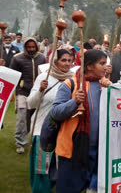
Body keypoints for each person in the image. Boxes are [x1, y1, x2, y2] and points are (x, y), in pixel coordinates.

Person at [50, 50, 111, 193]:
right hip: (72, 151)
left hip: (99, 152)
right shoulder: (70, 84)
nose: (105, 67)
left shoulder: (106, 85)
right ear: (89, 66)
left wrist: (111, 90)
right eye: (102, 63)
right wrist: (74, 102)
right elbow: (55, 113)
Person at [27, 49, 74, 193]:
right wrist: (41, 90)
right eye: (63, 60)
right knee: (42, 169)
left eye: (69, 60)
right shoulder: (44, 77)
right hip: (43, 129)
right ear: (55, 61)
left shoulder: (74, 79)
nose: (67, 64)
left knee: (59, 168)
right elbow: (30, 103)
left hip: (65, 130)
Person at [10, 37, 46, 154]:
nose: (31, 49)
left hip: (37, 93)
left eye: (33, 47)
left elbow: (45, 74)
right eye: (28, 47)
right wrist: (14, 91)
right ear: (25, 47)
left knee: (33, 118)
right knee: (22, 118)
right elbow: (13, 76)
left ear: (36, 47)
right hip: (23, 92)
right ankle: (20, 143)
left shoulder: (42, 58)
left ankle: (32, 140)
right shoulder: (17, 58)